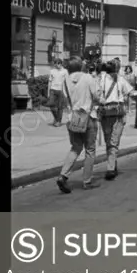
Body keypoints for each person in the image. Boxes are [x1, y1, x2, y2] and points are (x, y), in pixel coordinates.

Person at [56, 58, 100, 193]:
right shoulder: (88, 78)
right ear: (81, 66)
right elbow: (97, 96)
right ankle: (87, 180)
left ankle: (63, 175)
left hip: (73, 117)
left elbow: (64, 99)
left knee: (75, 148)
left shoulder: (65, 80)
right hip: (88, 116)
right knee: (90, 150)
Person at [97, 60, 134, 182]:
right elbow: (130, 93)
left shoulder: (117, 79)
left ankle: (110, 168)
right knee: (110, 141)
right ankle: (112, 164)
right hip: (109, 114)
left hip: (115, 114)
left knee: (113, 141)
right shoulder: (102, 79)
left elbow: (129, 92)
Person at [48, 59, 67, 127]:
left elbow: (66, 82)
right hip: (52, 90)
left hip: (61, 90)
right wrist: (48, 92)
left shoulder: (65, 71)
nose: (57, 65)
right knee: (51, 105)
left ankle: (58, 121)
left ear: (61, 64)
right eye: (55, 63)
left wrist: (66, 93)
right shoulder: (52, 71)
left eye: (58, 63)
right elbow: (49, 82)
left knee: (60, 107)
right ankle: (56, 118)